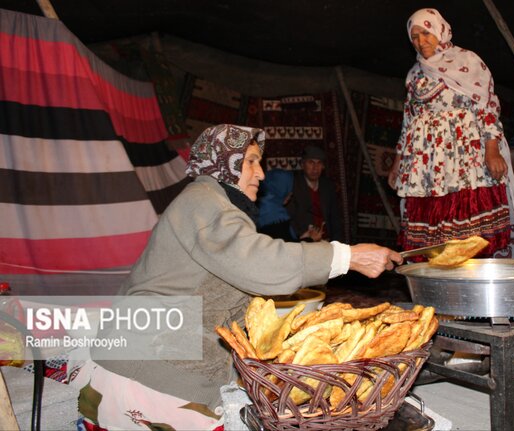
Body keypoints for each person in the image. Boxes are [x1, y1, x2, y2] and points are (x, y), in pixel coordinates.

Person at [69, 124, 402, 430]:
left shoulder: (216, 206)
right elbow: (260, 263)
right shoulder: (203, 202)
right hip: (149, 375)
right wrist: (349, 256)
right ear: (223, 164)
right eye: (252, 162)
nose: (261, 173)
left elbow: (235, 288)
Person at [387, 8, 514, 259]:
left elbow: (487, 106)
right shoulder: (414, 74)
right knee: (432, 239)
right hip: (427, 166)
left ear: (439, 31)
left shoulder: (467, 61)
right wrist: (398, 163)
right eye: (414, 36)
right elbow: (409, 121)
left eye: (426, 33)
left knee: (470, 235)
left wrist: (491, 149)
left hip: (464, 160)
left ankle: (473, 286)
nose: (421, 41)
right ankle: (438, 285)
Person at [287, 145, 345, 242]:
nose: (315, 168)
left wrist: (337, 243)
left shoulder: (327, 186)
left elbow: (335, 219)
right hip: (304, 242)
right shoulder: (293, 186)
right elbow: (290, 219)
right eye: (311, 162)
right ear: (302, 164)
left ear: (323, 166)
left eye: (319, 163)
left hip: (326, 241)